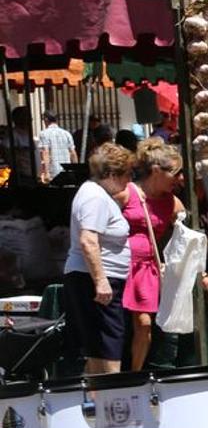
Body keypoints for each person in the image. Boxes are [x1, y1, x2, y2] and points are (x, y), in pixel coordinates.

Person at [62, 143, 134, 374]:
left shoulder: (97, 194)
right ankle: (113, 398)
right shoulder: (95, 198)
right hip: (95, 281)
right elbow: (88, 240)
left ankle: (97, 400)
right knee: (109, 344)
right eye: (127, 174)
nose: (129, 181)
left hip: (93, 279)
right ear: (112, 175)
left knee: (98, 348)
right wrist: (101, 281)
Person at [122, 138, 184, 371]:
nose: (180, 179)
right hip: (123, 267)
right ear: (156, 171)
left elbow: (186, 228)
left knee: (144, 324)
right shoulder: (128, 192)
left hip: (147, 270)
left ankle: (135, 373)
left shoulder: (172, 202)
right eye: (176, 173)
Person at [37, 111, 77, 184]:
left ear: (46, 120)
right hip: (66, 171)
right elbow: (73, 153)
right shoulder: (66, 133)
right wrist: (75, 170)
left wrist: (46, 172)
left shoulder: (44, 134)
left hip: (53, 171)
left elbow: (45, 153)